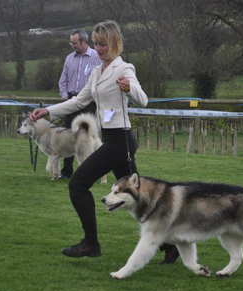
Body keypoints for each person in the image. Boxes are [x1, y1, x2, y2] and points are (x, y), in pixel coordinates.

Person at [30, 20, 179, 264]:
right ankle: (170, 245)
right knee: (139, 198)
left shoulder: (125, 68)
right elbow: (79, 102)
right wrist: (48, 111)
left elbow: (143, 100)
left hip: (120, 141)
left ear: (114, 43)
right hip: (112, 139)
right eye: (97, 44)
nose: (98, 48)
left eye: (103, 44)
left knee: (77, 185)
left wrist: (129, 87)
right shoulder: (97, 71)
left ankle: (91, 243)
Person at [58, 29, 102, 179]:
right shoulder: (69, 58)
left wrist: (97, 96)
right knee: (68, 136)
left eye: (75, 43)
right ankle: (66, 172)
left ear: (84, 41)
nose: (72, 45)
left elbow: (104, 78)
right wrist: (65, 98)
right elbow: (62, 81)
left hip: (90, 102)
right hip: (71, 101)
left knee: (89, 137)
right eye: (71, 42)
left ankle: (91, 172)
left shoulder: (97, 57)